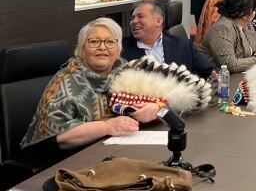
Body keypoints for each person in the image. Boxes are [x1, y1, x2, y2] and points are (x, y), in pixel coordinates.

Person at [20, 18, 159, 152]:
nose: (102, 47)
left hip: (118, 150)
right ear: (82, 49)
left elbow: (166, 97)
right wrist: (106, 127)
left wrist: (156, 107)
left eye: (110, 42)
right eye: (94, 42)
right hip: (69, 160)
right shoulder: (65, 80)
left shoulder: (126, 71)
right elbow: (58, 139)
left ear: (118, 48)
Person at [121, 1, 215, 79]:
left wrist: (216, 78)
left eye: (140, 16)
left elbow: (210, 72)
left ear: (158, 21)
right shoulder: (121, 50)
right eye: (132, 18)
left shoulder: (183, 46)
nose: (133, 21)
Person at [199, 0, 256, 73]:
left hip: (237, 75)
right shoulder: (223, 28)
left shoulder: (246, 24)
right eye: (253, 10)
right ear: (242, 14)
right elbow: (230, 65)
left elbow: (255, 48)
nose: (255, 13)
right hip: (214, 78)